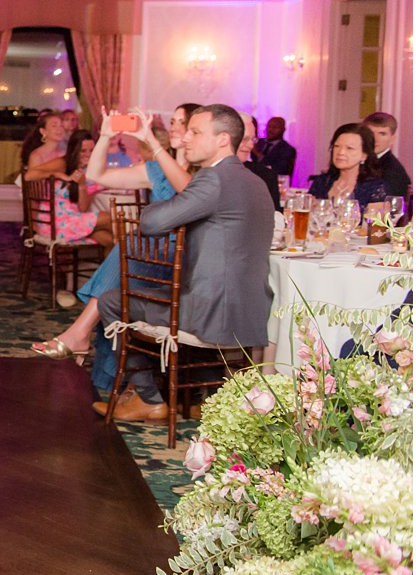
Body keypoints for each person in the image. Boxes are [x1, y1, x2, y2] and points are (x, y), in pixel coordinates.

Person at [94, 105, 274, 421]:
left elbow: (151, 223)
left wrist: (162, 206)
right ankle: (193, 394)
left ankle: (149, 398)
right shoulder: (254, 180)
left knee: (111, 300)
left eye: (195, 132)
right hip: (252, 311)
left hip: (211, 312)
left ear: (223, 140)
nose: (186, 139)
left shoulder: (213, 180)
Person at [30, 111, 191, 374]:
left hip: (184, 259)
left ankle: (79, 334)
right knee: (127, 248)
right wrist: (105, 136)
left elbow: (188, 191)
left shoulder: (205, 174)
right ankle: (83, 336)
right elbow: (96, 175)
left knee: (128, 247)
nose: (174, 128)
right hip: (155, 257)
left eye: (182, 123)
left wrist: (153, 142)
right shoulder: (157, 170)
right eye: (172, 122)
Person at [34, 130, 114, 250]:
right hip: (54, 225)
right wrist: (60, 175)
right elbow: (29, 175)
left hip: (75, 221)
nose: (88, 154)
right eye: (83, 151)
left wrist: (82, 185)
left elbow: (83, 208)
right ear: (74, 150)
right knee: (110, 218)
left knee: (111, 241)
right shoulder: (62, 163)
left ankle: (112, 268)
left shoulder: (91, 173)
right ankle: (134, 254)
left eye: (91, 150)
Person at [308, 123, 390, 209]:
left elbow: (375, 222)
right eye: (337, 146)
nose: (341, 152)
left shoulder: (376, 187)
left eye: (349, 148)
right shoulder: (321, 182)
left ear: (364, 155)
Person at [238, 115, 282, 211]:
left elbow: (276, 216)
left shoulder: (266, 176)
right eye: (244, 139)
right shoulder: (206, 171)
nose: (250, 145)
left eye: (253, 139)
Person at [362, 112, 410, 198]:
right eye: (370, 133)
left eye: (382, 134)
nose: (375, 139)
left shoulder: (392, 171)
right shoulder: (358, 160)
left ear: (392, 139)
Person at [18, 112, 67, 181]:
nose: (59, 129)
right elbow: (33, 181)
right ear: (43, 131)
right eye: (54, 126)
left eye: (61, 126)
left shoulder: (65, 152)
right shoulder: (37, 155)